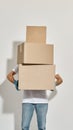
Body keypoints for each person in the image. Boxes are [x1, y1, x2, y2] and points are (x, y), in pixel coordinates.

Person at [7, 65, 63, 130]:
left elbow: (60, 80)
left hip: (42, 101)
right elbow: (9, 76)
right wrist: (16, 83)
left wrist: (52, 85)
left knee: (42, 127)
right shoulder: (23, 63)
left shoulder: (47, 64)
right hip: (27, 101)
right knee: (24, 127)